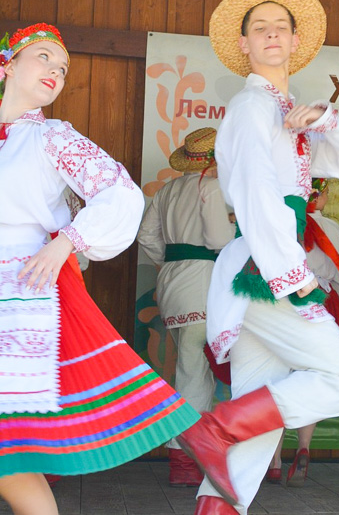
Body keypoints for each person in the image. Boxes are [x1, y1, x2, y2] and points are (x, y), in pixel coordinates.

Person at [175, 0, 339, 515]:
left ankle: (219, 457)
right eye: (258, 28)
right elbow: (257, 194)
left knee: (257, 431)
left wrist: (326, 119)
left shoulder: (289, 114)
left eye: (279, 27)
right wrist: (294, 275)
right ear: (243, 44)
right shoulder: (249, 107)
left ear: (294, 40)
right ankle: (212, 428)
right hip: (266, 271)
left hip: (260, 272)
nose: (269, 34)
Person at [0, 23, 198, 515]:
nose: (55, 72)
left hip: (20, 293)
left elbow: (121, 193)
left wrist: (66, 241)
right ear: (7, 65)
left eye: (62, 68)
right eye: (43, 58)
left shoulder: (52, 137)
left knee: (8, 447)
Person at [137, 126, 236, 487]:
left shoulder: (167, 191)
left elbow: (146, 235)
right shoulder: (209, 187)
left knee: (191, 366)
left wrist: (171, 262)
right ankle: (185, 456)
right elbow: (218, 239)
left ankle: (190, 452)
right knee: (196, 371)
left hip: (173, 284)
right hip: (204, 282)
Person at [266, 177, 339, 486]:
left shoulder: (280, 221)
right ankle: (304, 447)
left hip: (283, 303)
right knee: (312, 377)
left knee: (278, 378)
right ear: (319, 197)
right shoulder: (332, 229)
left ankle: (275, 461)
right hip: (321, 303)